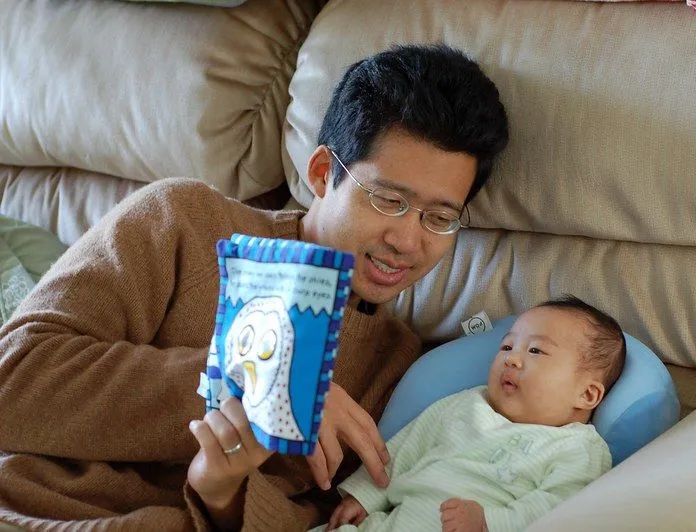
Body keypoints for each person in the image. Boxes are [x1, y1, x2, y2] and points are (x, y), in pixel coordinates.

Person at [0, 44, 508, 531]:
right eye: (386, 199)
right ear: (322, 172)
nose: (407, 240)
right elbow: (14, 379)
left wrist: (221, 492)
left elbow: (322, 514)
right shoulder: (183, 220)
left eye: (439, 217)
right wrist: (267, 381)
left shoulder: (395, 370)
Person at [320, 296, 626, 532]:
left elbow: (559, 506)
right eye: (507, 346)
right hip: (394, 519)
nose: (512, 360)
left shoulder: (577, 448)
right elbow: (405, 448)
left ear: (587, 394)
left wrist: (488, 522)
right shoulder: (468, 403)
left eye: (535, 351)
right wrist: (363, 496)